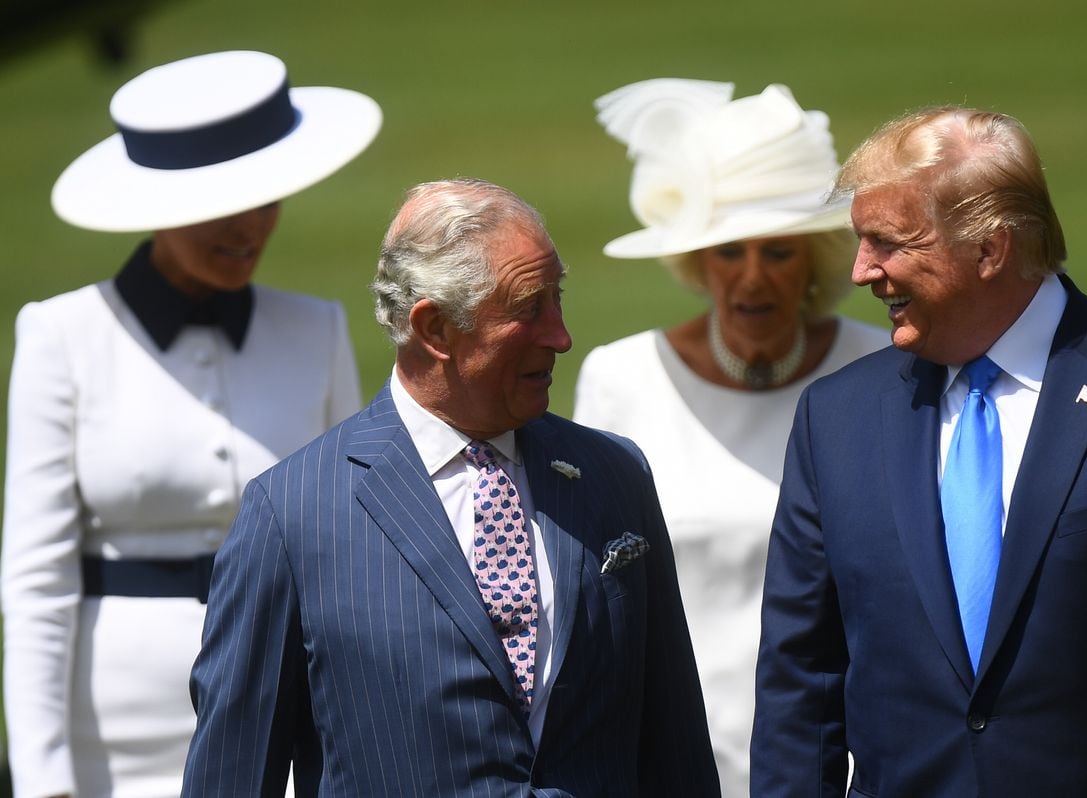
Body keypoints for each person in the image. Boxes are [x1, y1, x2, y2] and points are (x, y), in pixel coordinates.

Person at [180, 177, 721, 797]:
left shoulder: (614, 475)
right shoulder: (293, 512)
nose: (561, 336)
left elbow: (675, 747)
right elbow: (232, 777)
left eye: (558, 299)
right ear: (434, 328)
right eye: (528, 309)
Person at [751, 105, 1087, 797]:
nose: (863, 270)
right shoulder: (836, 419)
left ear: (988, 251)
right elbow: (799, 688)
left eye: (887, 242)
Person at [1, 50, 380, 798]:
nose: (252, 227)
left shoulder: (318, 328)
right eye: (224, 206)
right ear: (157, 205)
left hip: (289, 716)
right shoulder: (62, 336)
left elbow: (352, 553)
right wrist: (44, 778)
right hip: (113, 745)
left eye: (266, 198)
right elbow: (36, 578)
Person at [573, 78, 888, 794]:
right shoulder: (622, 377)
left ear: (815, 258)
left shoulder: (882, 369)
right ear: (696, 262)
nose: (753, 279)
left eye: (777, 252)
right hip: (674, 756)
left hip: (844, 758)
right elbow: (593, 598)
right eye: (728, 252)